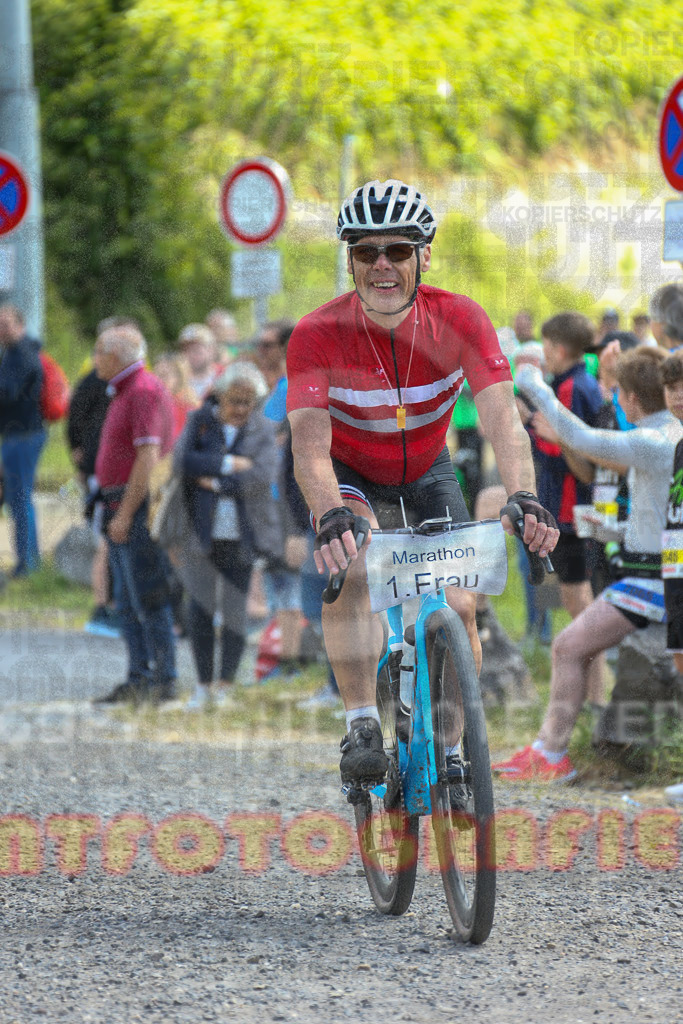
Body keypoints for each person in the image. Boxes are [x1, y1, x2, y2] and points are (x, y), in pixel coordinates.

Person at [286, 178, 559, 788]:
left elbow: (502, 423)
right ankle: (360, 724)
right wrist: (331, 513)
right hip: (350, 473)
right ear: (350, 259)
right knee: (353, 566)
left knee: (460, 605)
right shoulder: (316, 333)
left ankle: (454, 754)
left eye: (398, 250)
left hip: (427, 468)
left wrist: (524, 495)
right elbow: (309, 448)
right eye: (365, 251)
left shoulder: (460, 318)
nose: (381, 264)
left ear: (424, 255)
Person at [496, 347, 683, 780]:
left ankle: (552, 752)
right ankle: (550, 747)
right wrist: (614, 532)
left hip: (651, 580)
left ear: (632, 398)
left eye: (619, 393)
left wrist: (532, 384)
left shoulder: (655, 439)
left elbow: (581, 438)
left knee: (566, 646)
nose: (616, 401)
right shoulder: (665, 437)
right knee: (571, 647)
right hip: (650, 572)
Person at [179, 362, 282, 706]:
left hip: (243, 533)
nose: (240, 409)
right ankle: (203, 684)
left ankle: (225, 684)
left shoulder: (262, 429)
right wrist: (230, 464)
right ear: (220, 396)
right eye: (234, 401)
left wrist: (217, 481)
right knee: (200, 609)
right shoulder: (200, 422)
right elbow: (184, 463)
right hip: (201, 531)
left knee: (236, 609)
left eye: (248, 402)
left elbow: (262, 474)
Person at [92, 323, 177, 704]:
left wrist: (126, 514)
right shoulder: (126, 390)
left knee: (148, 596)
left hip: (135, 505)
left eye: (98, 352)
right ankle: (139, 676)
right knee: (127, 600)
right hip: (119, 502)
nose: (94, 360)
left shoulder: (142, 390)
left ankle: (162, 678)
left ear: (114, 356)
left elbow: (148, 457)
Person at [0, 304, 46, 576]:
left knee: (19, 498)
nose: (2, 329)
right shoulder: (14, 352)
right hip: (17, 434)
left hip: (24, 435)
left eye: (6, 324)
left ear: (21, 325)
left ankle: (27, 563)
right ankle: (28, 560)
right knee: (18, 498)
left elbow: (7, 392)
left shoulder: (23, 354)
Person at [178, 323, 219, 400]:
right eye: (186, 350)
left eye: (196, 349)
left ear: (211, 350)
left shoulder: (225, 376)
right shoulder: (177, 382)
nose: (190, 354)